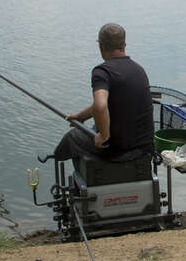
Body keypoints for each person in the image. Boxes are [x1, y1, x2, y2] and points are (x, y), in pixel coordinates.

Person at [54, 23, 155, 161]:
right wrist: (81, 116)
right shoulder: (139, 70)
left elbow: (100, 106)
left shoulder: (102, 72)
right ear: (124, 45)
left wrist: (104, 136)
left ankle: (54, 159)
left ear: (100, 46)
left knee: (72, 137)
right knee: (94, 127)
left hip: (119, 150)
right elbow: (108, 102)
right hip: (144, 148)